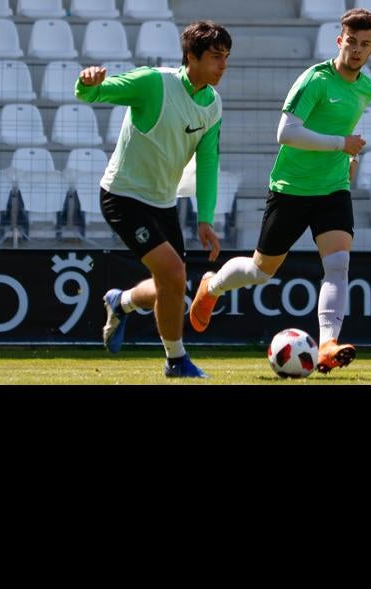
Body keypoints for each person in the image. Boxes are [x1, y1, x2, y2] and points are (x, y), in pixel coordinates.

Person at [188, 7, 371, 374]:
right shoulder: (315, 80)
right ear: (339, 41)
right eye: (351, 41)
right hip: (291, 189)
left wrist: (347, 159)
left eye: (365, 44)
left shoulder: (366, 87)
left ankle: (327, 344)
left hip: (332, 189)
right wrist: (341, 144)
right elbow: (286, 132)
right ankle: (211, 287)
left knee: (338, 265)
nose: (356, 49)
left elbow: (338, 131)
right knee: (261, 271)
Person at [81, 20, 231, 378]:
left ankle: (122, 301)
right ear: (191, 57)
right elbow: (96, 92)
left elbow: (208, 162)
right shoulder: (154, 82)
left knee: (173, 290)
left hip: (163, 203)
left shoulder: (213, 104)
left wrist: (205, 218)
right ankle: (175, 361)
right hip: (122, 195)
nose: (223, 65)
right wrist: (87, 82)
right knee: (175, 274)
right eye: (214, 56)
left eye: (226, 57)